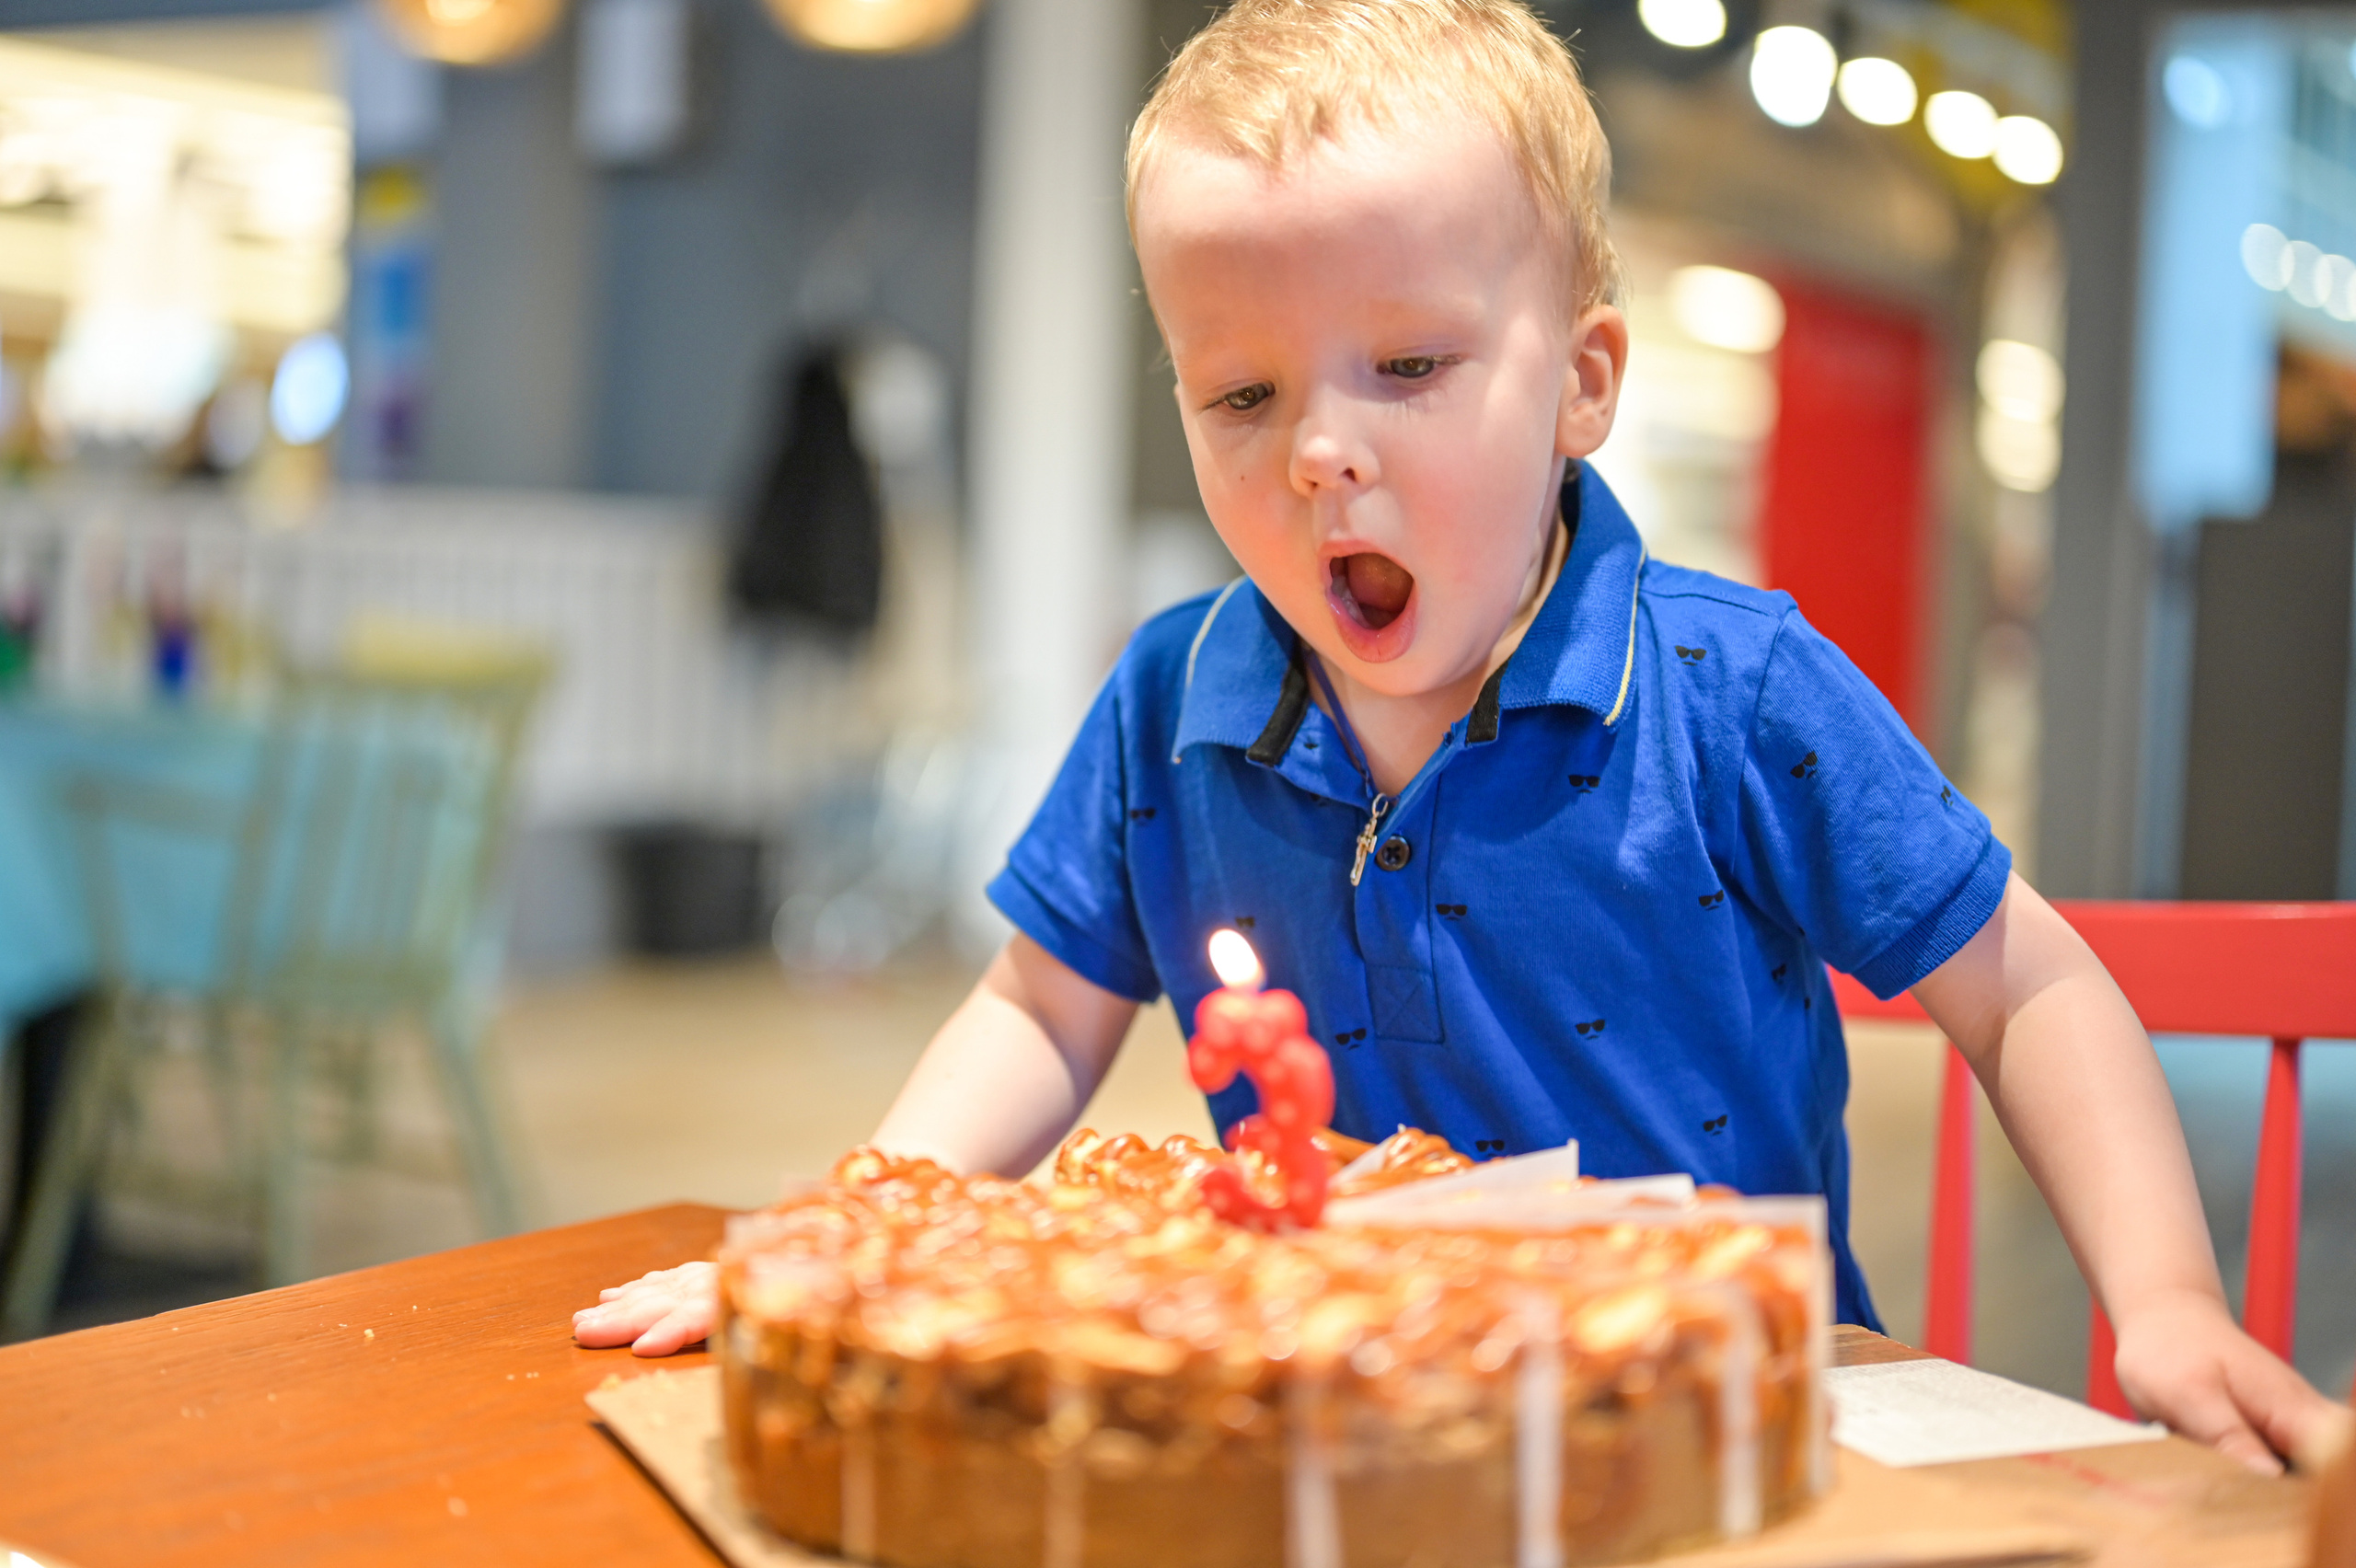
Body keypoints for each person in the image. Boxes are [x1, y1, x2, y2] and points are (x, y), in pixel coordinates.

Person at [576, 0, 2341, 1470]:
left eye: (1407, 368)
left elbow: (2024, 987)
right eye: (1243, 392)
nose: (1318, 453)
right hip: (1337, 1418)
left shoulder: (1732, 691)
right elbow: (1040, 1005)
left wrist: (2167, 1300)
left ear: (1582, 382)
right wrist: (858, 1231)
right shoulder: (1171, 704)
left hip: (1715, 1425)